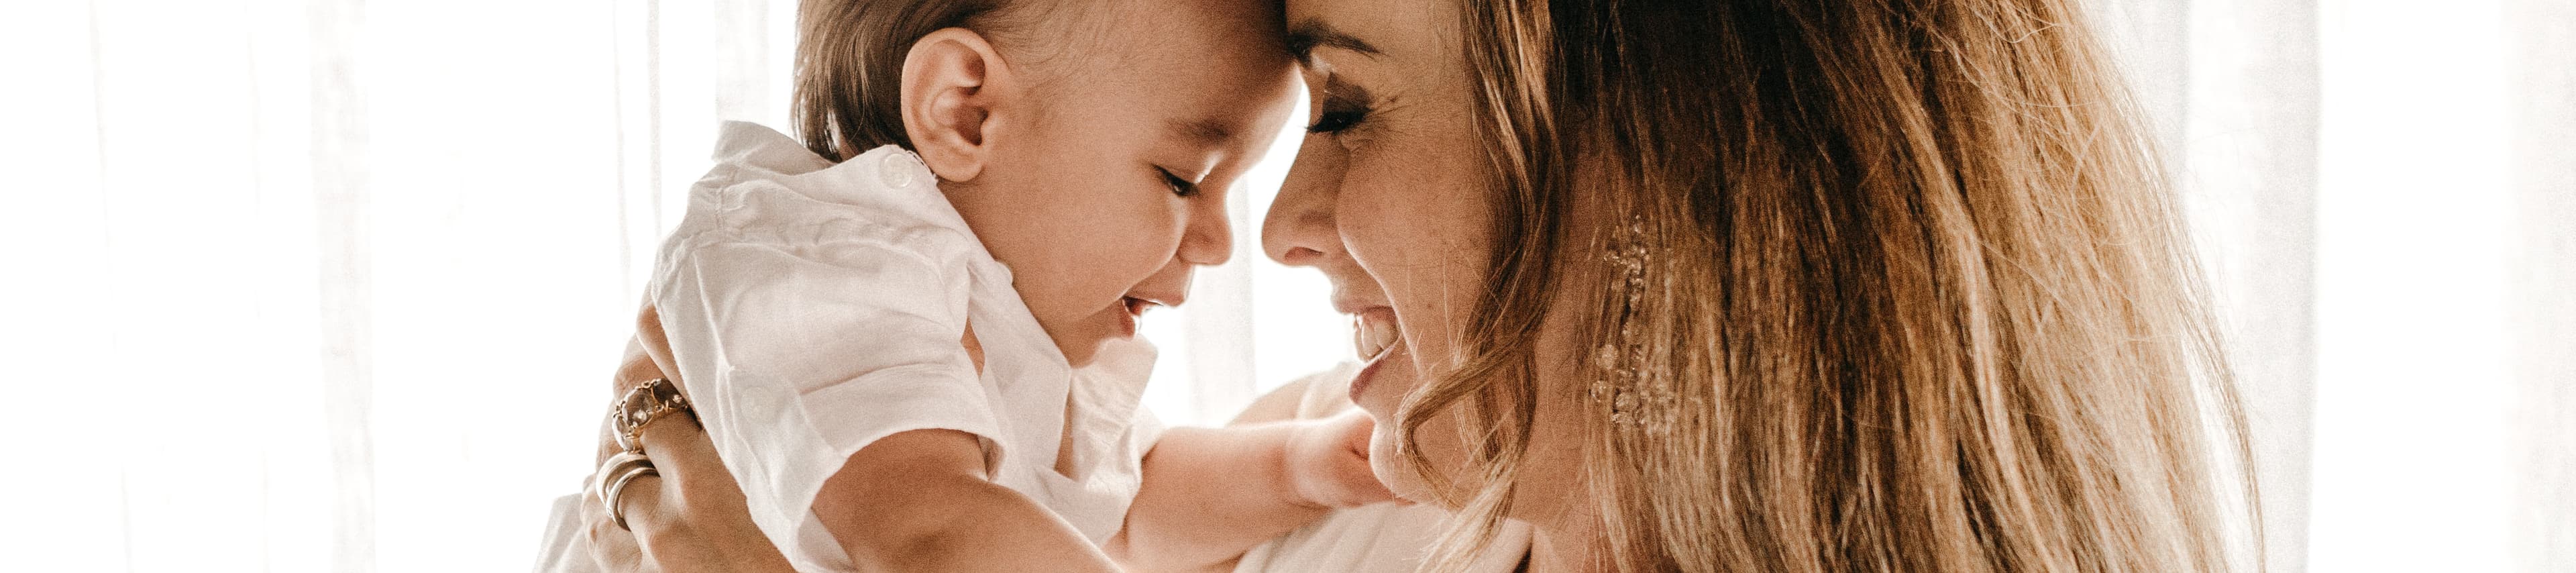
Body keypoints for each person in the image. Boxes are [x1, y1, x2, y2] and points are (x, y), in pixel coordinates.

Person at [586, 0, 2261, 571]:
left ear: (1665, 153)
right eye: (1203, 166)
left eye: (1353, 106)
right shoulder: (1357, 493)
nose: (1280, 228)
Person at [532, 0, 1400, 571]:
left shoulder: (1021, 314)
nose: (1219, 242)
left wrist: (1304, 464)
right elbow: (932, 531)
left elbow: (1131, 506)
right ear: (965, 114)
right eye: (1182, 178)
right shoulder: (818, 255)